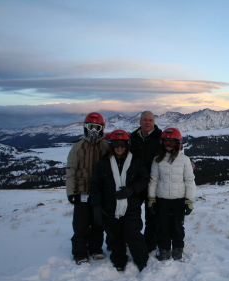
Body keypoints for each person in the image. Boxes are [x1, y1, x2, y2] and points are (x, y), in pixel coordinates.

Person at [90, 130, 149, 272]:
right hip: (110, 207)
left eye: (122, 144)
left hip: (131, 206)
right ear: (111, 145)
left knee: (133, 234)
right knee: (115, 236)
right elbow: (95, 185)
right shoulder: (103, 163)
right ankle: (118, 261)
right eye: (116, 144)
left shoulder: (135, 161)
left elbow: (144, 179)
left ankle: (142, 261)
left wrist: (131, 190)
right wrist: (96, 205)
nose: (119, 147)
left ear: (127, 145)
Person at [66, 112, 109, 265]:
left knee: (98, 223)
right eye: (91, 126)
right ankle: (80, 253)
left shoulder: (106, 146)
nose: (94, 130)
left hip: (100, 194)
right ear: (85, 127)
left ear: (102, 128)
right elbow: (71, 169)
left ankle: (96, 249)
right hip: (81, 192)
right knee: (80, 224)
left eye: (97, 127)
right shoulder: (78, 147)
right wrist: (71, 192)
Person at [147, 128, 196, 261]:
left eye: (171, 143)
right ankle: (163, 250)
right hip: (162, 199)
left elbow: (189, 180)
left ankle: (178, 249)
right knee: (162, 227)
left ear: (178, 143)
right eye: (165, 143)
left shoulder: (184, 160)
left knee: (177, 226)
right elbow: (153, 180)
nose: (168, 146)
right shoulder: (157, 160)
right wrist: (151, 198)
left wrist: (189, 200)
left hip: (178, 200)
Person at [130, 111, 162, 253]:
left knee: (153, 216)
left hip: (154, 184)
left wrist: (188, 163)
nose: (148, 122)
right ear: (140, 122)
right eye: (145, 120)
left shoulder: (161, 138)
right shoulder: (132, 138)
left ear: (154, 122)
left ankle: (150, 245)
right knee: (133, 216)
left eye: (150, 120)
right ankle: (134, 242)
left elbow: (173, 152)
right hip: (136, 184)